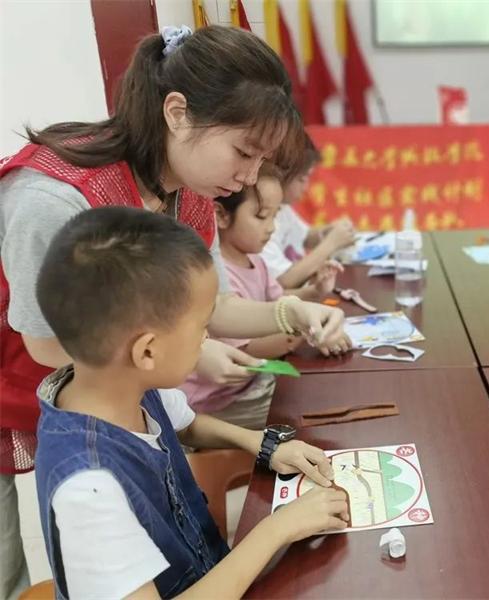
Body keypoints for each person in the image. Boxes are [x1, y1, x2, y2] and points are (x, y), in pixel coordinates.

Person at [0, 25, 347, 596]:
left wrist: (290, 314)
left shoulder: (189, 193)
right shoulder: (50, 198)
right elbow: (42, 343)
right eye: (244, 152)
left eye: (262, 159)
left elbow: (213, 307)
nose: (249, 176)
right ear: (178, 113)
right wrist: (187, 351)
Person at [34, 207, 349, 598]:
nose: (206, 340)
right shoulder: (88, 491)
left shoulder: (122, 383)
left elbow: (187, 424)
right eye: (202, 328)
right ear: (147, 351)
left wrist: (263, 445)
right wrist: (278, 528)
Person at [181, 164, 342, 429]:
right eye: (261, 216)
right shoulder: (219, 277)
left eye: (275, 216)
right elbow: (252, 348)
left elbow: (279, 302)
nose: (271, 228)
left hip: (250, 386)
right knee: (307, 415)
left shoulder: (256, 262)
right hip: (218, 404)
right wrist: (308, 329)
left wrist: (313, 293)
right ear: (220, 215)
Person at [261, 134, 356, 289]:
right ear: (280, 175)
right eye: (302, 179)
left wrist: (328, 231)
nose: (305, 188)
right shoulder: (262, 220)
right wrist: (331, 243)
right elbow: (283, 281)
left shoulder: (283, 208)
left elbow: (304, 236)